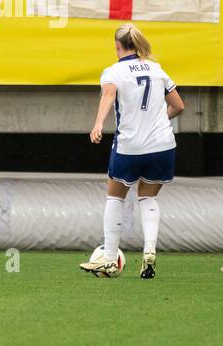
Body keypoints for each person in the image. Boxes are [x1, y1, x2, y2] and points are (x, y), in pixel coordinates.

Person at [79, 24, 184, 280]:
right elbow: (179, 105)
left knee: (115, 198)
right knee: (148, 198)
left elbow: (108, 95)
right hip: (163, 145)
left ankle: (109, 259)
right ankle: (149, 252)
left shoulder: (114, 71)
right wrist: (159, 121)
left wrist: (98, 124)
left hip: (131, 146)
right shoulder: (156, 68)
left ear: (117, 46)